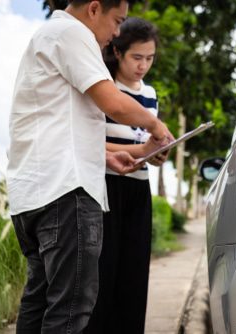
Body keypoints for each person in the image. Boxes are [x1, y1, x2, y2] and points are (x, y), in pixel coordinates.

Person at [6, 1, 173, 333]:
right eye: (117, 21)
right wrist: (156, 127)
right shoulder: (72, 32)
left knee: (39, 303)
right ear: (95, 8)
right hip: (66, 193)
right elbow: (112, 101)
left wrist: (106, 156)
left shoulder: (47, 35)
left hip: (34, 191)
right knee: (72, 308)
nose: (115, 33)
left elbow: (58, 122)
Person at [84, 17, 164, 334]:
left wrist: (156, 153)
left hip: (139, 188)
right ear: (118, 53)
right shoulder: (104, 88)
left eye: (150, 58)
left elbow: (145, 145)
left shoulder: (151, 93)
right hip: (105, 185)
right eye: (136, 57)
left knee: (134, 272)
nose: (143, 65)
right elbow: (92, 139)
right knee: (104, 271)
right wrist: (142, 149)